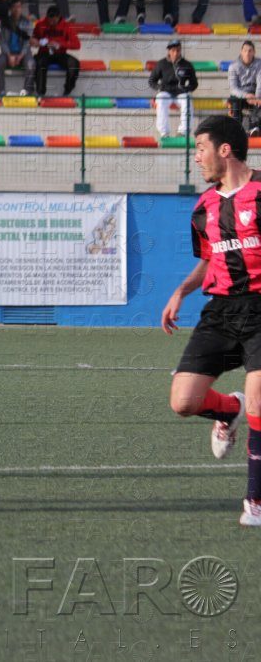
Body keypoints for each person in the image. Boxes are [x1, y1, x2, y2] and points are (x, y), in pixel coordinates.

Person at [162, 115, 261, 527]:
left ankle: (255, 501)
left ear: (225, 149)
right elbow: (209, 258)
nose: (196, 157)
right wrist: (181, 291)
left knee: (260, 403)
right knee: (183, 402)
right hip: (220, 312)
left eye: (201, 148)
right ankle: (228, 409)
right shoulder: (203, 207)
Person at [149, 39, 198, 138]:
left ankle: (183, 132)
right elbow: (152, 81)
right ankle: (164, 132)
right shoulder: (161, 64)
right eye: (173, 50)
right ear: (169, 51)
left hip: (181, 93)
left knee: (187, 100)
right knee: (161, 99)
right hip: (166, 92)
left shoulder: (187, 65)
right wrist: (160, 87)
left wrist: (186, 89)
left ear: (180, 51)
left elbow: (194, 83)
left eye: (178, 50)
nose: (175, 53)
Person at [32, 5, 80, 97]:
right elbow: (34, 39)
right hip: (44, 52)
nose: (51, 23)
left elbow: (77, 45)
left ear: (59, 17)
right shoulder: (40, 24)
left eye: (54, 21)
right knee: (39, 63)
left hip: (60, 53)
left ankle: (67, 90)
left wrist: (60, 44)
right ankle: (40, 93)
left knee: (74, 64)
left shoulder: (67, 26)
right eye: (49, 20)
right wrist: (36, 42)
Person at [0, 0, 35, 96]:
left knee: (31, 64)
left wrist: (20, 55)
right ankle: (0, 91)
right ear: (10, 9)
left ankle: (27, 91)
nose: (17, 9)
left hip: (23, 53)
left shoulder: (27, 23)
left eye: (19, 7)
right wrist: (9, 55)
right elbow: (2, 42)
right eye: (14, 7)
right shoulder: (4, 23)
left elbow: (27, 42)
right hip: (8, 52)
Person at [228, 41, 261, 133]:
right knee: (235, 100)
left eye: (250, 51)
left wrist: (257, 97)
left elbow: (260, 83)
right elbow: (233, 88)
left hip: (255, 94)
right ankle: (236, 130)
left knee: (259, 103)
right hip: (241, 95)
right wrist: (246, 95)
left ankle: (254, 129)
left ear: (254, 52)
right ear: (241, 51)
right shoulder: (233, 66)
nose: (247, 53)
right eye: (245, 50)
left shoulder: (259, 64)